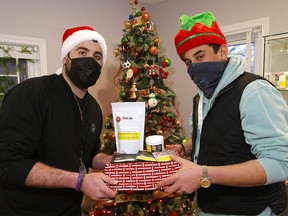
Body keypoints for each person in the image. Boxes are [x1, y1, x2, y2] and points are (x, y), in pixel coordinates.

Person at [157, 11, 288, 215]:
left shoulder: (254, 91)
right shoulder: (200, 99)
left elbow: (279, 163)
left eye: (200, 56)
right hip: (211, 205)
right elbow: (219, 133)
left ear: (223, 52)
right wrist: (186, 147)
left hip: (251, 209)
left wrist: (203, 174)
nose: (194, 67)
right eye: (188, 62)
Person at [0, 26, 118, 215]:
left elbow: (89, 154)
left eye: (97, 56)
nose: (90, 60)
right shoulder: (32, 93)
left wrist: (115, 160)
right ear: (66, 58)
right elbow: (7, 163)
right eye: (82, 52)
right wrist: (79, 181)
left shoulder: (94, 107)